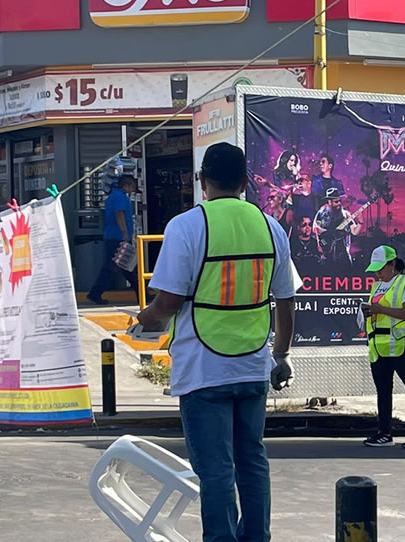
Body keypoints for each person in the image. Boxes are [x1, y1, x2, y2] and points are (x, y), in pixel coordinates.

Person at [138, 142, 295, 542]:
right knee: (252, 461)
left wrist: (146, 319)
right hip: (253, 366)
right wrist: (280, 354)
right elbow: (286, 301)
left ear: (201, 182)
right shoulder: (270, 226)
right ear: (245, 182)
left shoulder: (186, 226)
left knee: (217, 470)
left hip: (203, 370)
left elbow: (169, 300)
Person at [358, 245, 405, 449]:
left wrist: (380, 309)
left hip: (404, 344)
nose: (378, 272)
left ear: (392, 264)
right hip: (380, 346)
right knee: (383, 390)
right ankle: (384, 433)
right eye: (375, 268)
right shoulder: (376, 286)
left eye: (381, 268)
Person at [87, 175, 138, 305]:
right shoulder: (120, 197)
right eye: (132, 187)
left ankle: (142, 292)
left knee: (128, 267)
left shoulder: (112, 196)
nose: (132, 191)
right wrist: (125, 233)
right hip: (119, 238)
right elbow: (119, 214)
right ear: (126, 186)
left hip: (113, 236)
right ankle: (95, 293)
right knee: (114, 267)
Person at [313, 187, 360, 266]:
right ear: (329, 202)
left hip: (343, 255)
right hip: (327, 254)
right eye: (336, 201)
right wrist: (327, 236)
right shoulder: (321, 214)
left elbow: (354, 231)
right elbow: (315, 229)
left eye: (340, 201)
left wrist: (361, 223)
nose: (339, 203)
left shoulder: (346, 215)